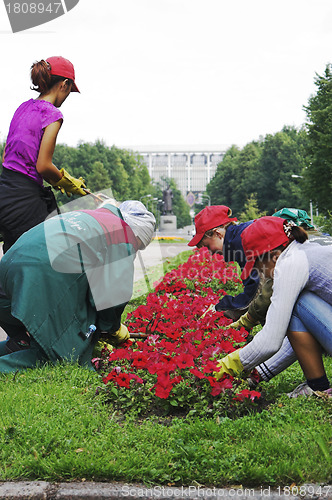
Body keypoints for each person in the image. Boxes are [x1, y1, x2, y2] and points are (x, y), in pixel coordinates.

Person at [0, 200, 156, 373]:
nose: (134, 251)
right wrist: (112, 327)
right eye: (138, 246)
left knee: (30, 343)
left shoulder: (92, 216)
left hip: (7, 271)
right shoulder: (122, 235)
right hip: (36, 279)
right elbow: (112, 297)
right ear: (136, 234)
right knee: (62, 356)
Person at [214, 216, 332, 398]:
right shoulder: (308, 245)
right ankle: (318, 387)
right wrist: (259, 372)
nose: (261, 275)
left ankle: (318, 387)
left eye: (259, 267)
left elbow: (271, 340)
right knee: (297, 308)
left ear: (275, 256)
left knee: (296, 304)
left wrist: (228, 365)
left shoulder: (290, 263)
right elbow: (307, 330)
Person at [0, 56, 86, 253]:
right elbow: (43, 166)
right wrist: (66, 181)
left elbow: (6, 157)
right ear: (64, 84)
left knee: (13, 261)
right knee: (51, 259)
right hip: (25, 202)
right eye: (70, 91)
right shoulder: (52, 115)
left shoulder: (22, 108)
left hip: (4, 194)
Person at [188, 205, 259, 320]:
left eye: (208, 246)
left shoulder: (242, 242)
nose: (211, 253)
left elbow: (254, 293)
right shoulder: (239, 236)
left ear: (218, 234)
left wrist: (219, 309)